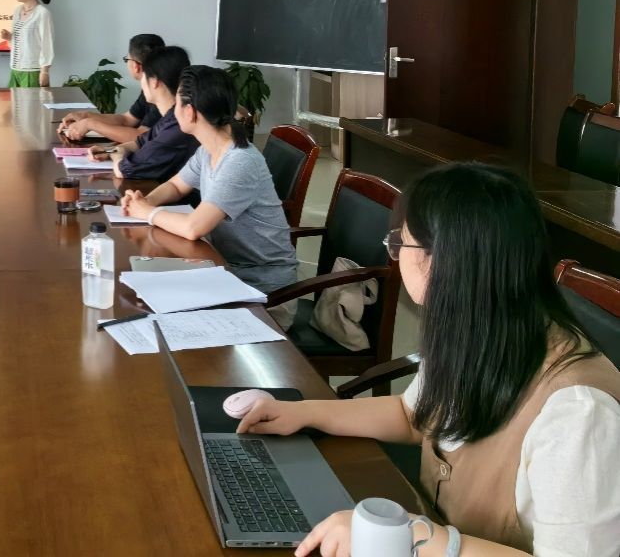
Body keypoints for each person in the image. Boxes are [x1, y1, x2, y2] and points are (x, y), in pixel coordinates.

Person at [236, 163, 620, 557]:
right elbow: (411, 416)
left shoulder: (578, 412)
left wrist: (409, 536)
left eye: (400, 244)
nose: (395, 257)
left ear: (441, 260)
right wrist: (303, 413)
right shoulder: (478, 329)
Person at [121, 65, 297, 297]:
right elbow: (176, 186)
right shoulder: (208, 150)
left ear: (190, 112)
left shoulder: (240, 162)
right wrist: (145, 201)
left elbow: (193, 228)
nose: (174, 111)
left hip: (262, 289)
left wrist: (147, 213)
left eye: (177, 104)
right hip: (223, 267)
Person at [92, 45, 196, 182]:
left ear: (154, 82)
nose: (141, 82)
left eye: (144, 76)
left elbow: (126, 170)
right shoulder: (171, 116)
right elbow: (139, 142)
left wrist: (116, 155)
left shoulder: (178, 125)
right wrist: (110, 151)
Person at [60, 33, 165, 143]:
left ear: (136, 66)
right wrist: (86, 116)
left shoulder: (162, 92)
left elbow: (141, 137)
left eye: (127, 59)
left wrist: (91, 124)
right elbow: (127, 119)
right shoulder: (151, 86)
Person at [0, 0, 53, 88]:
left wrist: (44, 71)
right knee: (13, 100)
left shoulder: (42, 13)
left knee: (32, 101)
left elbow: (47, 44)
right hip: (15, 70)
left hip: (32, 72)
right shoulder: (17, 11)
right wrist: (9, 38)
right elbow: (21, 43)